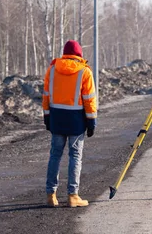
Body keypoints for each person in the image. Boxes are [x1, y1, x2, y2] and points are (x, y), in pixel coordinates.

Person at [42, 40, 97, 208]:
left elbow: (46, 95)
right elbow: (89, 99)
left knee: (55, 155)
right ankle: (73, 196)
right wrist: (91, 121)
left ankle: (51, 195)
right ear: (79, 54)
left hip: (57, 118)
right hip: (76, 121)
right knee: (75, 156)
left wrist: (47, 116)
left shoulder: (52, 70)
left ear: (65, 53)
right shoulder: (84, 72)